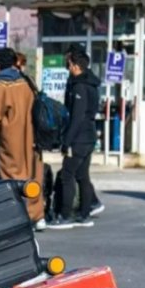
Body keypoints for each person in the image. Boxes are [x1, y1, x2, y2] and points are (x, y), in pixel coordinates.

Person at [0, 47, 45, 227]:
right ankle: (37, 215)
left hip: (10, 140)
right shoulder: (28, 83)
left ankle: (17, 218)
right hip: (34, 138)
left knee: (12, 179)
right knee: (33, 176)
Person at [48, 50, 100, 230]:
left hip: (79, 137)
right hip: (89, 136)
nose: (67, 67)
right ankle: (84, 214)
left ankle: (65, 215)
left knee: (67, 175)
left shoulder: (79, 87)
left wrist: (67, 141)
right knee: (82, 175)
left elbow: (77, 117)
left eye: (69, 64)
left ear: (75, 66)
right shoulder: (92, 84)